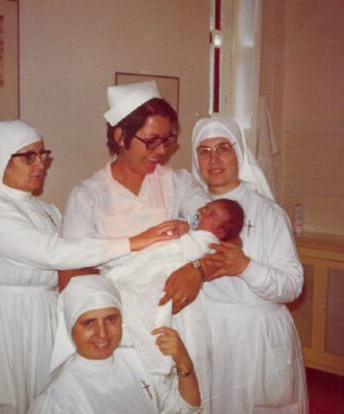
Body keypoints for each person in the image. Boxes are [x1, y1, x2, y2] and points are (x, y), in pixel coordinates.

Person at [0, 120, 179, 414]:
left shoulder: (47, 211)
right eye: (29, 156)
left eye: (43, 154)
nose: (40, 164)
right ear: (1, 158)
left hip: (41, 317)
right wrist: (134, 241)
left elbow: (76, 261)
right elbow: (54, 254)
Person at [61, 80, 212, 410]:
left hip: (182, 319)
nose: (162, 150)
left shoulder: (179, 183)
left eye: (168, 139)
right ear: (120, 137)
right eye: (151, 140)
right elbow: (70, 276)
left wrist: (197, 269)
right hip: (122, 328)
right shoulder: (88, 195)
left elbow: (220, 232)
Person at [191, 116, 309, 414]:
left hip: (258, 336)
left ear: (239, 154)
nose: (213, 159)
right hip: (209, 333)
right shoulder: (189, 211)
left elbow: (293, 285)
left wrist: (245, 266)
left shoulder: (268, 213)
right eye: (204, 150)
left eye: (223, 148)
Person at [101, 199, 243, 377]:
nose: (204, 212)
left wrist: (184, 234)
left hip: (172, 275)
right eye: (206, 208)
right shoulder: (193, 229)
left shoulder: (208, 241)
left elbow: (193, 253)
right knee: (130, 283)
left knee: (143, 300)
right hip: (159, 263)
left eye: (211, 214)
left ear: (219, 232)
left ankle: (155, 356)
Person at [28, 275, 202, 414]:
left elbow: (185, 410)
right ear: (70, 327)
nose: (102, 333)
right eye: (89, 323)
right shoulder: (57, 400)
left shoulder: (139, 362)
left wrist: (183, 362)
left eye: (111, 319)